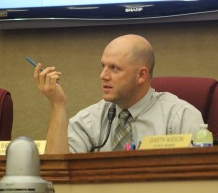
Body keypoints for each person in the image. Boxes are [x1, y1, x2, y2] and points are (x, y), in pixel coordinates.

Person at [34, 34, 204, 154]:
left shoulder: (179, 117)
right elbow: (56, 173)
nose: (103, 76)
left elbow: (204, 177)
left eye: (114, 68)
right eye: (103, 66)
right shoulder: (90, 120)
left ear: (141, 75)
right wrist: (57, 105)